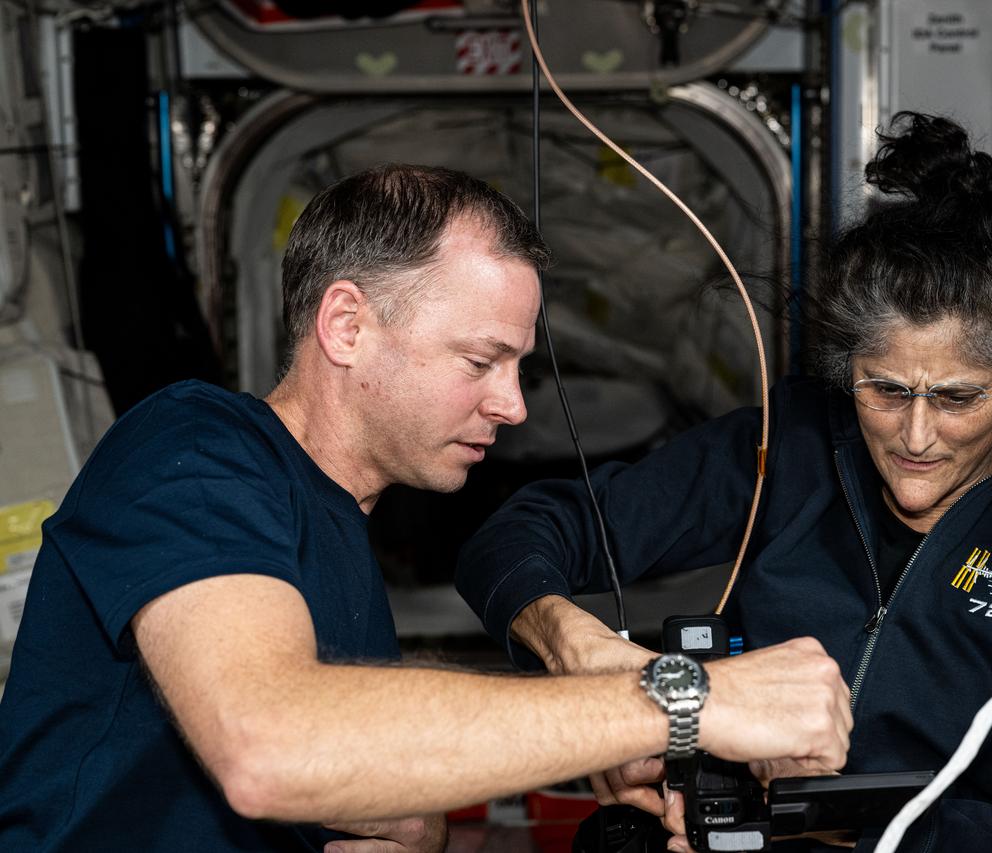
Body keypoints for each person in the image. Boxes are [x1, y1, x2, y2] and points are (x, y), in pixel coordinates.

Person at [0, 165, 855, 852]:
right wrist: (682, 697)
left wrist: (418, 824)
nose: (514, 405)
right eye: (482, 360)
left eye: (517, 367)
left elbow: (356, 771)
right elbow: (271, 747)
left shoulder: (338, 532)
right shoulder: (194, 449)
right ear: (346, 326)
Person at [457, 115, 992, 852]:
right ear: (846, 369)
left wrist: (827, 813)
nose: (915, 436)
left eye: (956, 398)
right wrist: (596, 669)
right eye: (884, 390)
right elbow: (517, 537)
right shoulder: (796, 447)